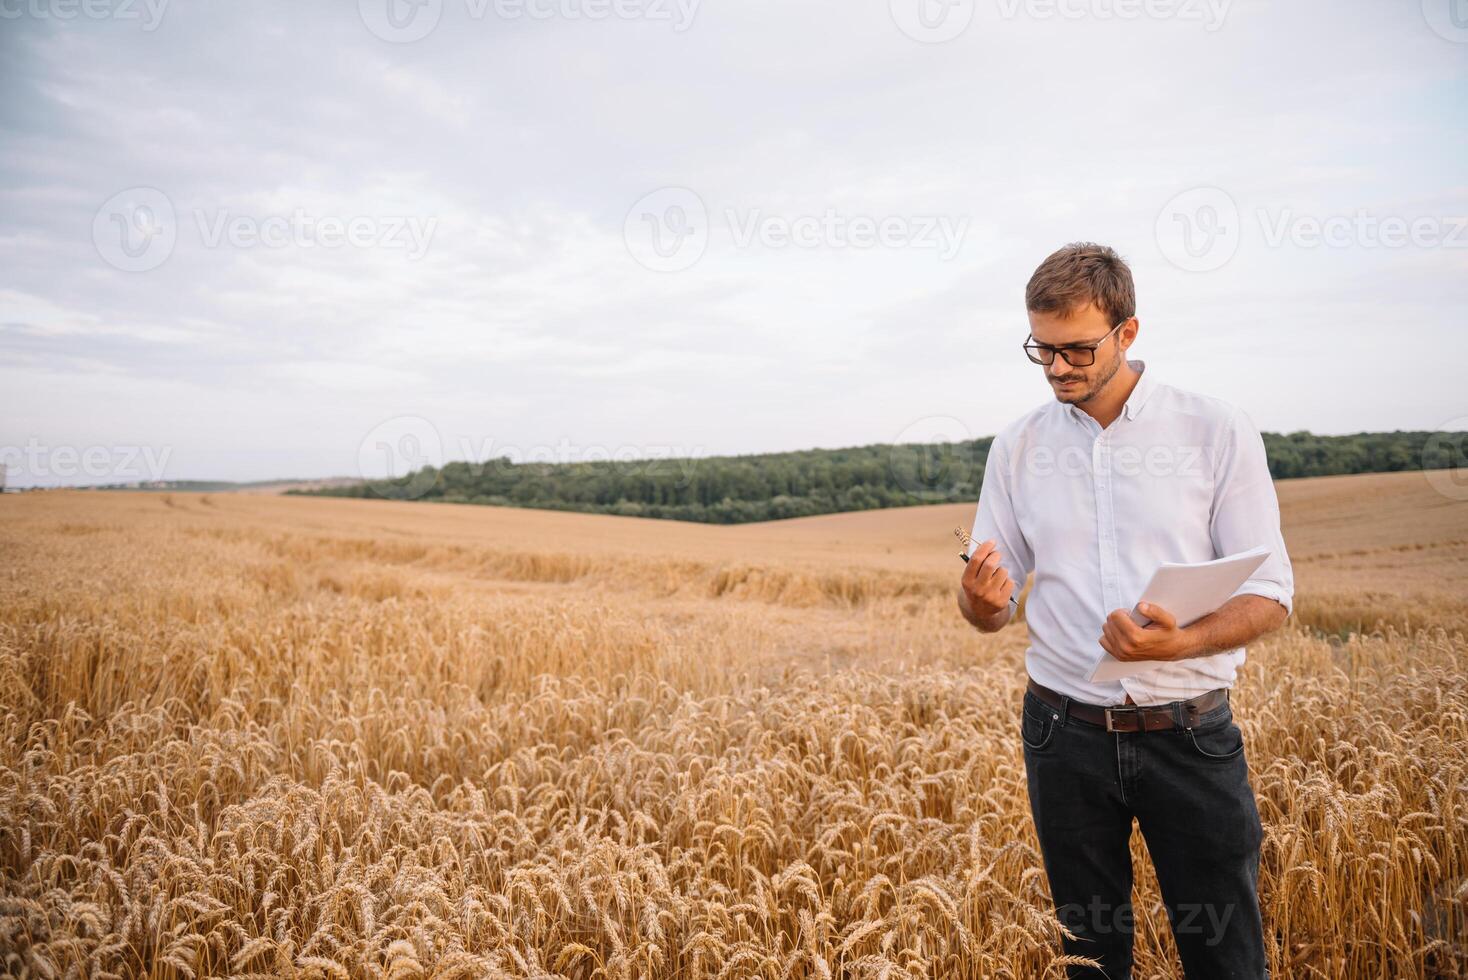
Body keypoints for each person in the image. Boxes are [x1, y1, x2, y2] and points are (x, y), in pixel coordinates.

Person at [957, 242, 1293, 979]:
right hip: (1062, 737)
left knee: (1227, 960)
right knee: (1089, 961)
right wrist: (979, 603)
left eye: (1076, 349)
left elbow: (1272, 597)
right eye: (1040, 350)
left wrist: (1181, 644)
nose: (1057, 369)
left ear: (1128, 333)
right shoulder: (1017, 447)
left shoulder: (1214, 429)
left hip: (1190, 732)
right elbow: (993, 605)